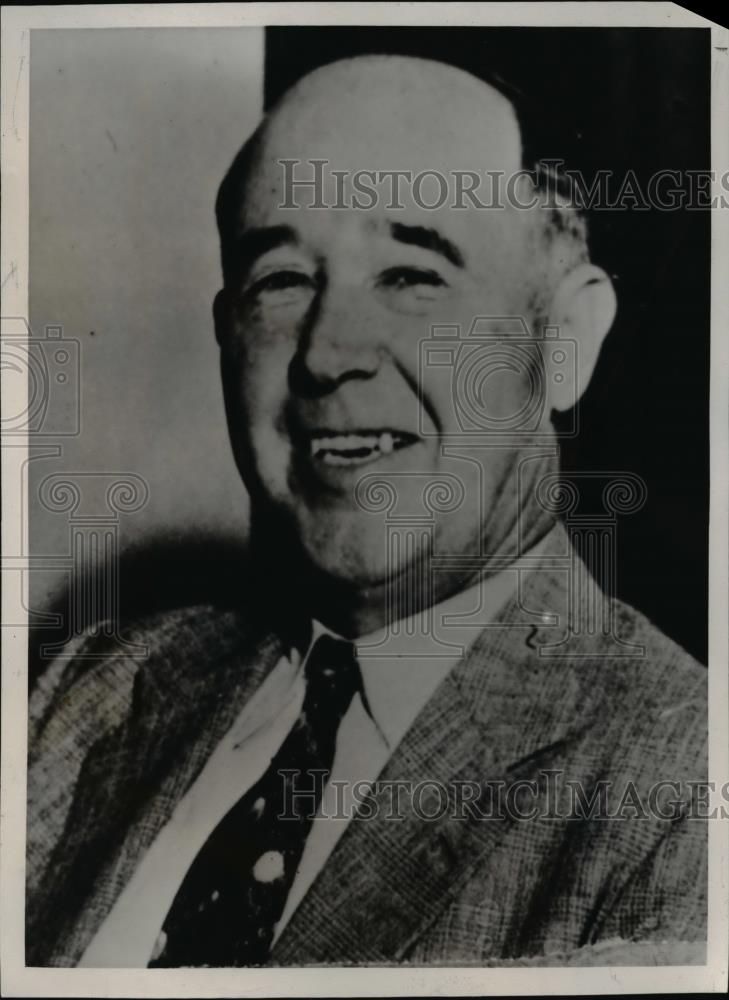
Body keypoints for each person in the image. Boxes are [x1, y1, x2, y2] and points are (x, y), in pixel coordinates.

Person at [26, 54, 707, 968]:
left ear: (562, 342)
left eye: (410, 273)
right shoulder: (91, 690)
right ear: (226, 331)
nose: (326, 354)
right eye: (280, 281)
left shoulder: (679, 787)